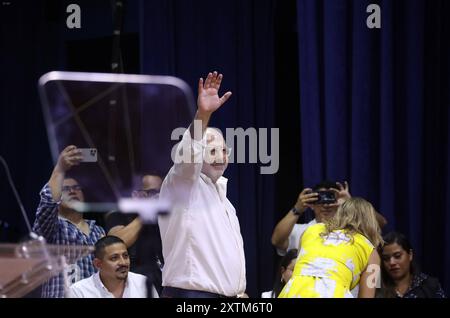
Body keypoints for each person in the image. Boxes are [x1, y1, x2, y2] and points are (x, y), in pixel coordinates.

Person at [158, 71, 246, 298]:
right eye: (212, 150)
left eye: (224, 150)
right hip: (191, 296)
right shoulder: (183, 185)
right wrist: (203, 114)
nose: (220, 156)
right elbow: (189, 154)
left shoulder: (225, 201)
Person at [32, 146, 105, 298]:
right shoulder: (52, 227)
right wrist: (60, 168)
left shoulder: (99, 230)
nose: (72, 191)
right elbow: (47, 203)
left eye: (77, 188)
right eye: (66, 189)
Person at [278, 197, 382, 298]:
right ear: (371, 221)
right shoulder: (372, 253)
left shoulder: (310, 230)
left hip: (293, 292)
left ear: (339, 213)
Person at [272, 181, 387, 256]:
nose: (326, 205)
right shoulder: (301, 230)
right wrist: (297, 208)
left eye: (331, 198)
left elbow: (380, 224)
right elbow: (276, 240)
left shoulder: (353, 230)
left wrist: (350, 204)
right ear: (311, 203)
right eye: (320, 199)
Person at [104, 173, 164, 296]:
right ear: (137, 195)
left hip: (166, 286)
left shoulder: (165, 218)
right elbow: (115, 243)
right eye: (153, 193)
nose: (158, 198)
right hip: (135, 288)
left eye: (161, 192)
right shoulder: (120, 215)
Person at [69, 236, 148, 298]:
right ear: (98, 264)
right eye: (114, 258)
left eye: (125, 256)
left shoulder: (143, 283)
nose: (123, 262)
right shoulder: (79, 292)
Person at [377, 231, 446, 298]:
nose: (392, 262)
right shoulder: (376, 288)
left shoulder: (430, 286)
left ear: (410, 255)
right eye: (386, 258)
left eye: (397, 256)